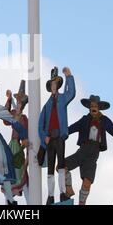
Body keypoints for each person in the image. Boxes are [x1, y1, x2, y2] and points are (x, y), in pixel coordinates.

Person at [65, 95, 113, 205]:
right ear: (89, 107)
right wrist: (57, 133)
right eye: (91, 106)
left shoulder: (104, 120)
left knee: (87, 182)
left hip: (94, 152)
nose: (93, 108)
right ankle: (69, 188)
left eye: (95, 106)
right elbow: (69, 129)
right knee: (61, 166)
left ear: (99, 108)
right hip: (83, 149)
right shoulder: (84, 120)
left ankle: (81, 203)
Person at [38, 67, 75, 205]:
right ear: (50, 87)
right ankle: (50, 196)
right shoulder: (46, 106)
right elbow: (40, 125)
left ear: (58, 85)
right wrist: (44, 137)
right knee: (50, 168)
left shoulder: (62, 99)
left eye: (55, 84)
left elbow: (71, 93)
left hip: (59, 137)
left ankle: (62, 193)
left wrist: (69, 77)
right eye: (52, 84)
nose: (53, 86)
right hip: (50, 139)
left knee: (61, 165)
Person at [4, 80, 29, 203]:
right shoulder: (13, 114)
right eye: (18, 100)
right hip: (11, 145)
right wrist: (8, 100)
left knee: (20, 173)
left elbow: (26, 134)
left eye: (21, 101)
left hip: (19, 147)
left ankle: (29, 200)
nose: (19, 103)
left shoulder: (24, 118)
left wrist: (25, 142)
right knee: (8, 170)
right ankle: (8, 199)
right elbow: (5, 118)